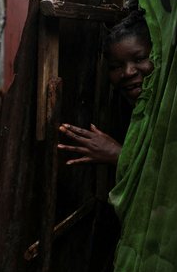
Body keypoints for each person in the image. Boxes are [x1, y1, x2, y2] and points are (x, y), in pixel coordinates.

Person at [57, 10, 153, 165]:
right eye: (116, 66)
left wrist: (118, 155)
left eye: (140, 59)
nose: (128, 72)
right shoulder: (127, 114)